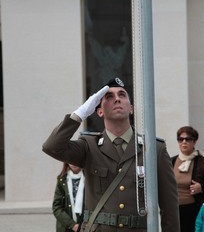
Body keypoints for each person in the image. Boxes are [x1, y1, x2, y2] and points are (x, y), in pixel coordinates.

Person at [42, 78, 180, 232]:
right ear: (99, 110)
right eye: (109, 97)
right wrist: (80, 114)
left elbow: (170, 208)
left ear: (131, 108)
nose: (117, 99)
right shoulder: (89, 146)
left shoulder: (154, 149)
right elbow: (51, 147)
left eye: (122, 95)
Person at [171, 126, 204, 232]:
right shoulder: (171, 161)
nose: (184, 142)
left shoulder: (202, 162)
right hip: (174, 210)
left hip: (195, 209)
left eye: (188, 139)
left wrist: (202, 188)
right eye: (180, 139)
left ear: (194, 142)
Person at [52, 163, 85, 232]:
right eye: (70, 159)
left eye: (75, 159)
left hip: (85, 227)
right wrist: (72, 225)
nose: (73, 163)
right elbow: (56, 207)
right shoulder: (62, 180)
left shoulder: (90, 180)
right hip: (66, 228)